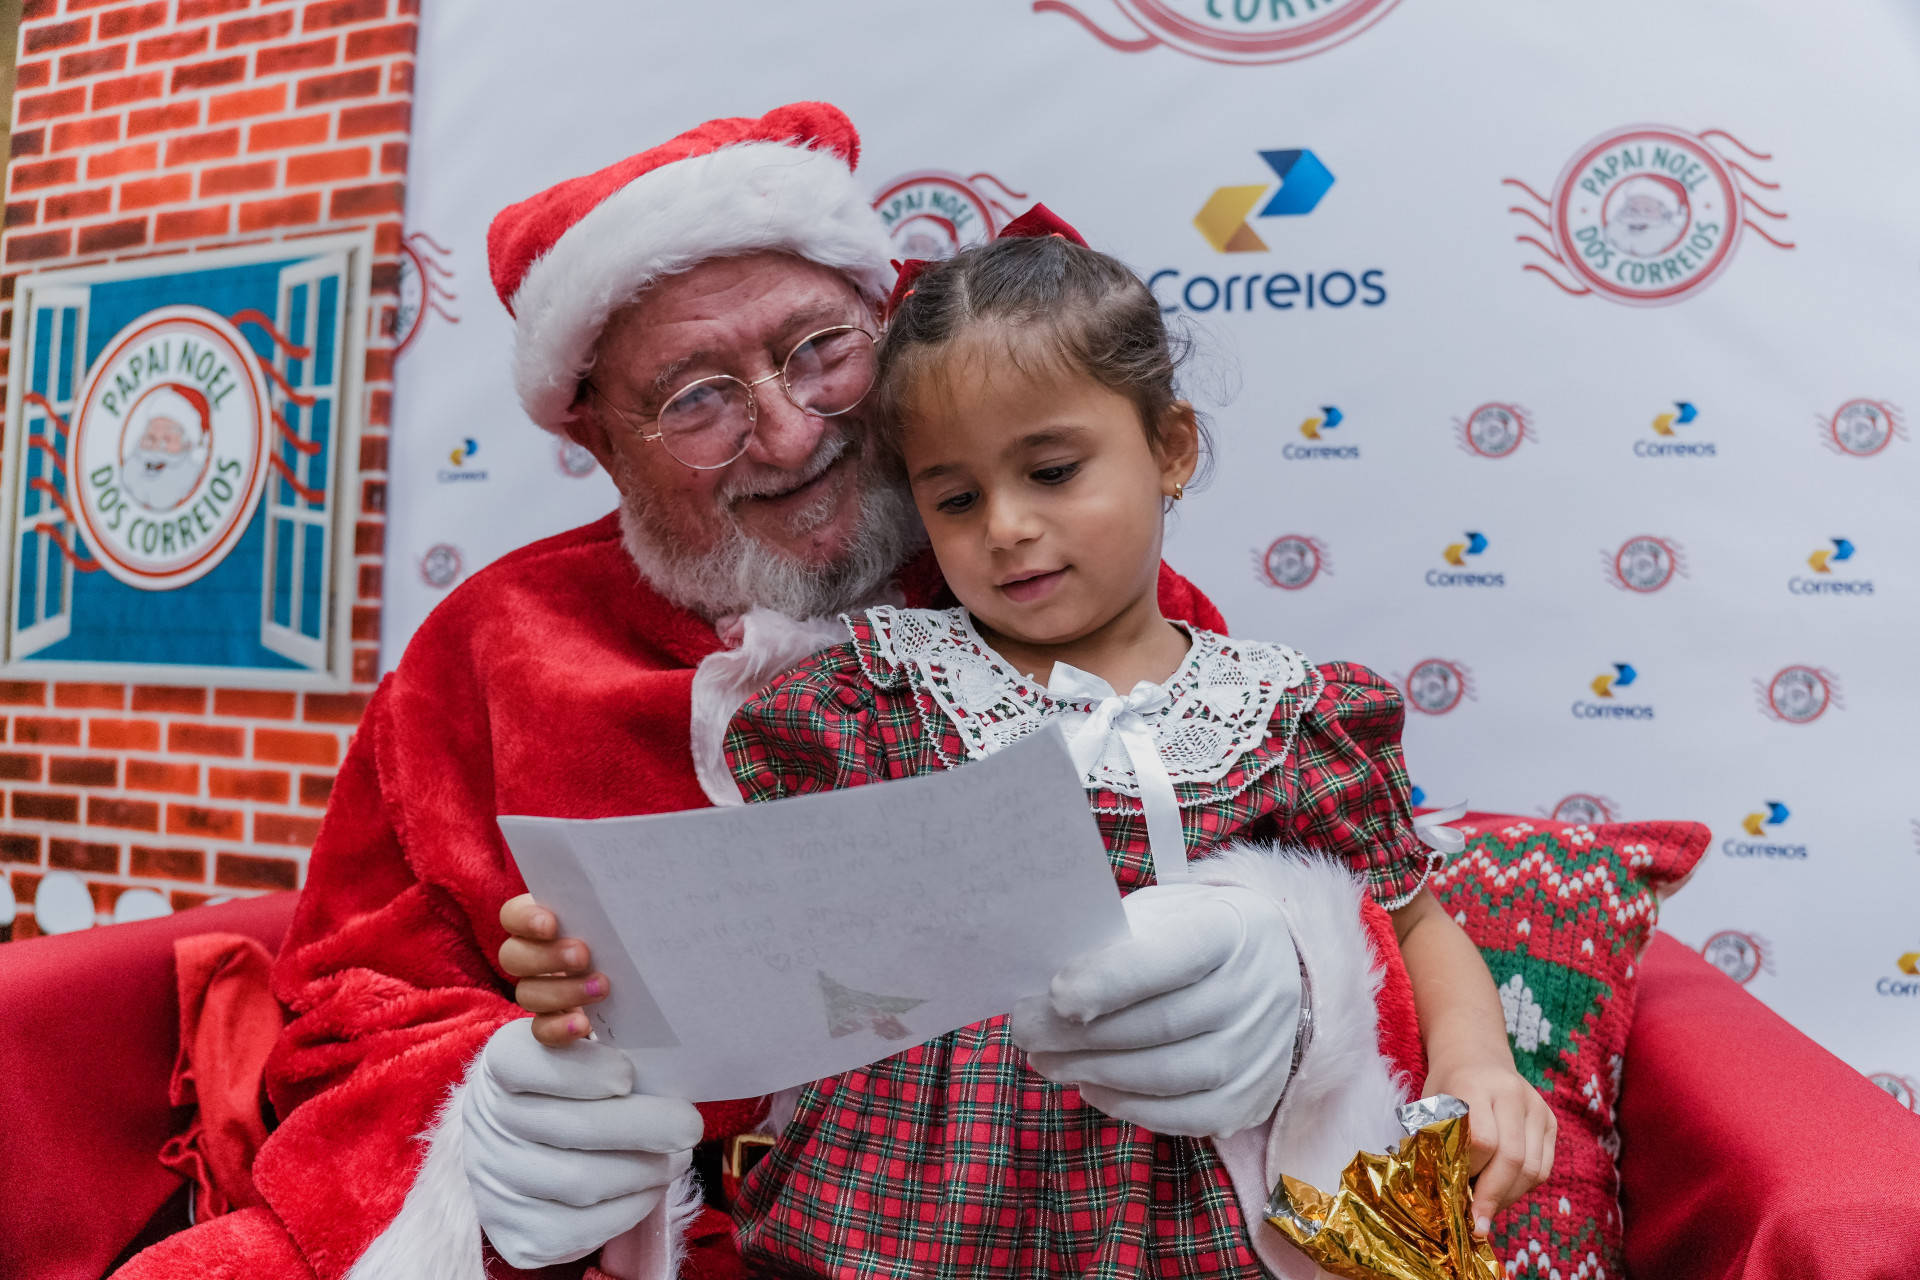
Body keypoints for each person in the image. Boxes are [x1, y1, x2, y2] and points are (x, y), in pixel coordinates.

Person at [115, 104, 1227, 1280]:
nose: (790, 435)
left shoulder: (1056, 586)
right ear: (603, 442)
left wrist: (1274, 965)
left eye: (821, 350)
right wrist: (488, 1115)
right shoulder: (488, 652)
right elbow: (351, 1001)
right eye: (697, 397)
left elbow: (1294, 850)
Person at [496, 211, 1554, 1279]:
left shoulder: (1286, 712)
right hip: (906, 1214)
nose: (1004, 526)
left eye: (1051, 472)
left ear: (1171, 448)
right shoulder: (874, 695)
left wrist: (1479, 1064)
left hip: (1182, 1213)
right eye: (956, 498)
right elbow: (766, 927)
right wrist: (595, 964)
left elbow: (1413, 917)